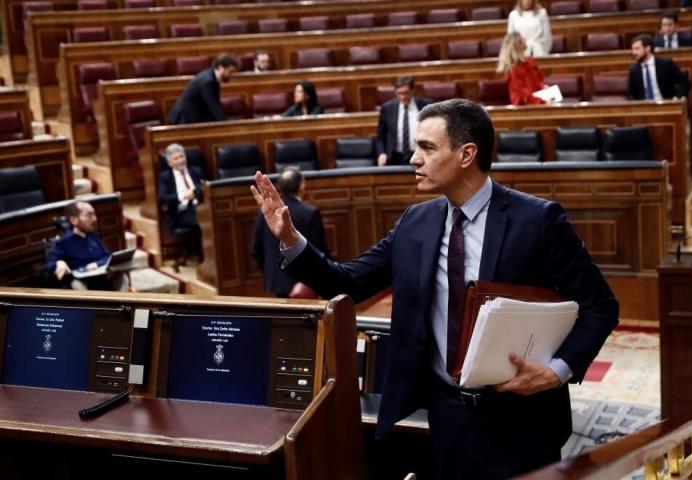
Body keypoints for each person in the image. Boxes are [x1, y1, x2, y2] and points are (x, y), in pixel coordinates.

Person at [251, 98, 619, 479]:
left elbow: (601, 305)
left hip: (521, 420)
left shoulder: (537, 221)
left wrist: (556, 371)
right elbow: (348, 282)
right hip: (446, 417)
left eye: (427, 148)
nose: (414, 159)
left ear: (466, 154)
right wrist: (291, 238)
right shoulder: (416, 222)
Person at [251, 167, 330, 298]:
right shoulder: (310, 212)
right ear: (302, 186)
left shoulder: (265, 213)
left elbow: (256, 249)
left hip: (277, 280)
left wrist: (271, 271)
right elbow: (319, 249)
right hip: (306, 282)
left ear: (279, 187)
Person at [45, 201, 129, 292]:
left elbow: (107, 256)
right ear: (74, 220)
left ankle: (120, 301)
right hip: (84, 284)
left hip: (102, 279)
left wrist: (97, 264)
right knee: (76, 284)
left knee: (122, 277)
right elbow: (48, 266)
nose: (95, 219)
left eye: (94, 214)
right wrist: (59, 262)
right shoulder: (64, 242)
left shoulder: (93, 236)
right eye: (89, 215)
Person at [157, 143, 205, 259]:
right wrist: (183, 196)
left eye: (182, 157)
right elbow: (162, 198)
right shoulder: (165, 177)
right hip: (180, 213)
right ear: (170, 163)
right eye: (176, 158)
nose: (180, 161)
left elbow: (206, 187)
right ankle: (203, 256)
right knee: (202, 222)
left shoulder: (197, 171)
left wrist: (198, 191)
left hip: (200, 207)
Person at [376, 76, 432, 166]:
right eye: (399, 93)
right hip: (395, 158)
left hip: (420, 155)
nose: (402, 97)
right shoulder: (387, 108)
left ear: (413, 90)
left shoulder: (426, 106)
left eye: (406, 93)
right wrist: (381, 153)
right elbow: (380, 136)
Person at [168, 53, 238, 124]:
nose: (231, 75)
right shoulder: (208, 81)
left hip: (193, 116)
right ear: (221, 67)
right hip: (184, 118)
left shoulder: (212, 76)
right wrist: (227, 125)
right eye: (230, 72)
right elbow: (213, 106)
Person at [628, 34, 691, 100]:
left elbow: (684, 83)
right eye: (633, 49)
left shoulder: (665, 64)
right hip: (645, 105)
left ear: (648, 48)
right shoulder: (634, 69)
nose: (634, 52)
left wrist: (677, 96)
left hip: (667, 102)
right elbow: (632, 94)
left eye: (637, 49)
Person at [497, 32, 548, 106]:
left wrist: (544, 88)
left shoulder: (530, 61)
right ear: (518, 44)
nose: (525, 39)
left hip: (539, 100)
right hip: (524, 106)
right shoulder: (512, 70)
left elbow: (540, 80)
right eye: (522, 38)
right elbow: (522, 93)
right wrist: (542, 102)